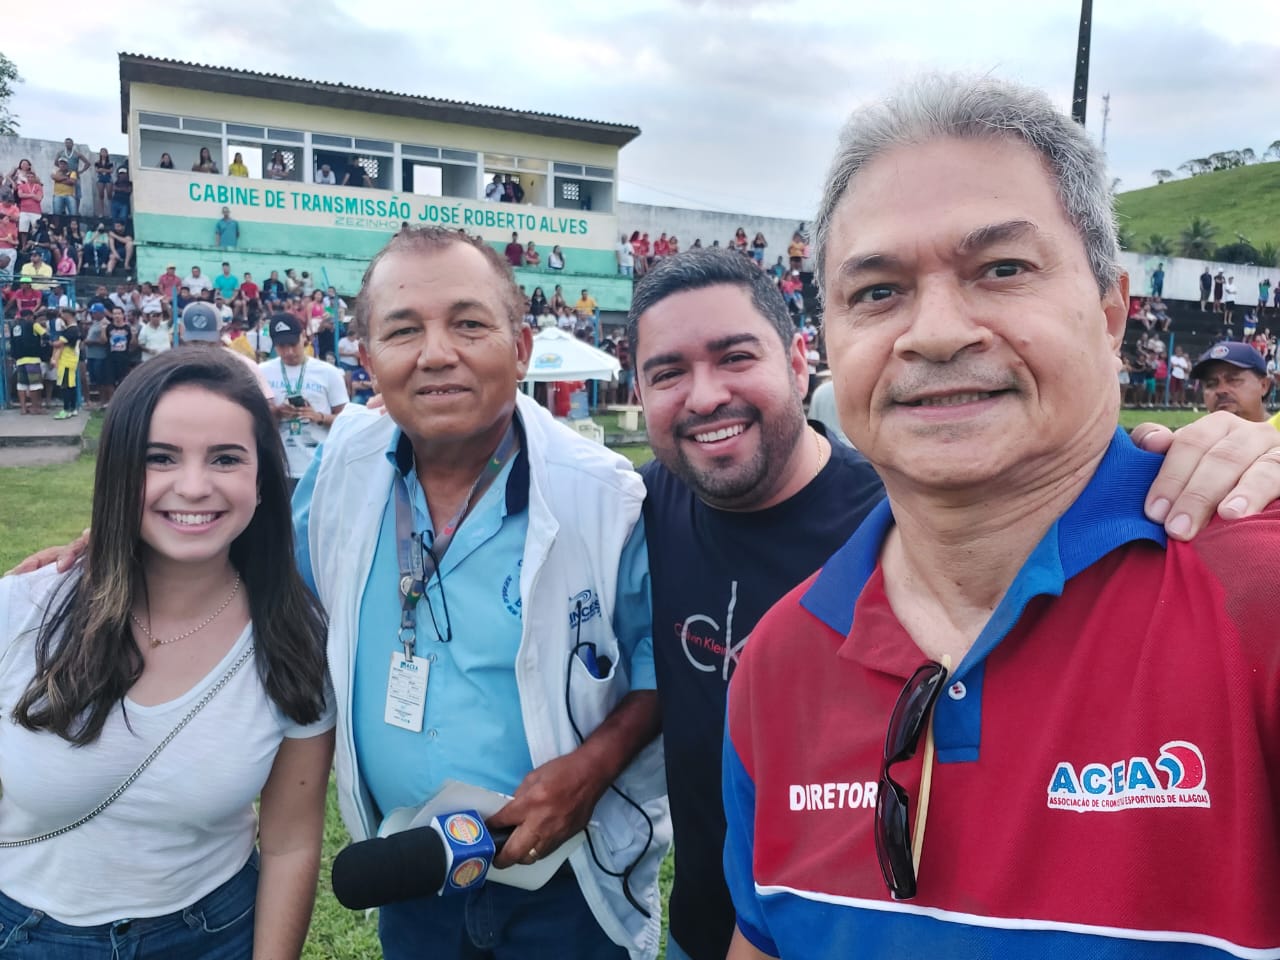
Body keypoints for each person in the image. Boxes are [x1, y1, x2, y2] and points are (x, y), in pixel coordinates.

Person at [721, 74, 1280, 960]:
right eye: (876, 292)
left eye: (1002, 269)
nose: (936, 333)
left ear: (1110, 312)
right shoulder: (782, 659)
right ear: (825, 341)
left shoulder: (1258, 601)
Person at [292, 226, 668, 959]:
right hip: (414, 872)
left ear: (520, 349)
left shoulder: (604, 497)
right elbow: (262, 579)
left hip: (569, 891)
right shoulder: (338, 471)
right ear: (366, 362)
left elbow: (659, 660)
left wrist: (588, 772)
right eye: (404, 331)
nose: (438, 353)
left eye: (469, 323)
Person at [0, 348, 333, 957]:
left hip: (211, 935)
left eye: (226, 458)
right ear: (120, 472)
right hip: (26, 932)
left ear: (262, 482)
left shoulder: (297, 637)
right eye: (160, 458)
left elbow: (289, 841)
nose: (194, 486)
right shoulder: (21, 611)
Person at [257, 314, 347, 489]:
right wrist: (276, 413)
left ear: (303, 337)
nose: (289, 352)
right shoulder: (262, 372)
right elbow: (254, 420)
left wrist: (319, 416)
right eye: (282, 346)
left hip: (318, 468)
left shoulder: (328, 372)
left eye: (293, 344)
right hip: (278, 468)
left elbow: (346, 419)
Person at [1192, 341, 1272, 422]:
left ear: (1264, 385)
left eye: (1233, 380)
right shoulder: (1194, 433)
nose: (1221, 390)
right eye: (1211, 384)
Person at [6, 308, 47, 414]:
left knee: (21, 385)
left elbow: (12, 343)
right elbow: (45, 335)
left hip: (19, 360)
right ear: (29, 316)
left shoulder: (14, 327)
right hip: (33, 359)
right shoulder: (33, 325)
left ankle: (23, 409)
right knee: (35, 384)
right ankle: (35, 408)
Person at [49, 319, 81, 419]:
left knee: (66, 387)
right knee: (71, 386)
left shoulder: (70, 332)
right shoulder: (76, 331)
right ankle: (73, 408)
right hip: (71, 362)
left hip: (66, 363)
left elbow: (58, 345)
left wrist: (54, 359)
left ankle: (66, 409)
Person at [92, 148, 114, 218]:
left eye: (105, 152)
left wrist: (102, 170)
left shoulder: (110, 163)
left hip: (108, 179)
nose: (103, 153)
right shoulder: (97, 162)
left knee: (109, 195)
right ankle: (101, 213)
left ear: (107, 154)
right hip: (100, 179)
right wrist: (104, 170)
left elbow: (111, 171)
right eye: (102, 152)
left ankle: (111, 213)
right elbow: (96, 170)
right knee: (101, 195)